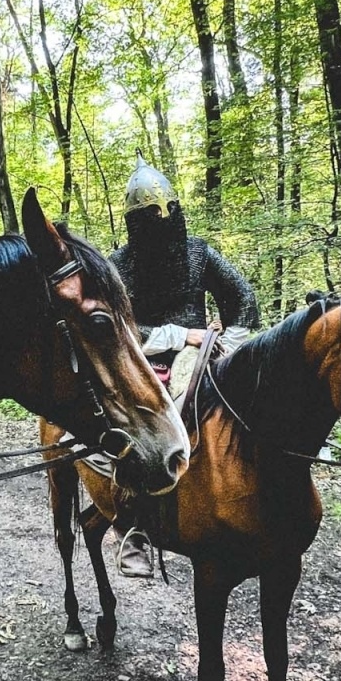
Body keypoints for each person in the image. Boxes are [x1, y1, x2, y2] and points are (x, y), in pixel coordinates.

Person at [106, 152, 260, 576]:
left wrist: (227, 341)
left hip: (205, 348)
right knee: (141, 425)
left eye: (165, 211)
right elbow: (122, 328)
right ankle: (134, 524)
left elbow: (242, 299)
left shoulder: (197, 253)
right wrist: (180, 335)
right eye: (149, 215)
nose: (159, 220)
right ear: (136, 223)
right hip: (144, 356)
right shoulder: (120, 265)